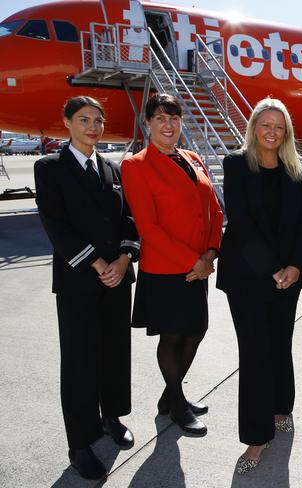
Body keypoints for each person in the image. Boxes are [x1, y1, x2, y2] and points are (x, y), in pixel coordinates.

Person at [34, 96, 140, 480]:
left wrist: (124, 261)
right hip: (79, 279)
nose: (93, 127)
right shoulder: (50, 168)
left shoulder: (112, 167)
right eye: (84, 120)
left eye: (98, 120)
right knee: (79, 361)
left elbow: (129, 219)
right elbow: (56, 225)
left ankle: (110, 417)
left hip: (116, 277)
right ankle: (79, 442)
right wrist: (98, 263)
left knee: (114, 351)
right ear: (67, 122)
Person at [216, 98, 302, 474]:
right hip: (247, 277)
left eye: (279, 126)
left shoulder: (296, 167)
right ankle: (257, 438)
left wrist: (292, 266)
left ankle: (281, 408)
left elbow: (301, 224)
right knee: (255, 354)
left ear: (286, 131)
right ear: (254, 127)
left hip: (287, 276)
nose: (272, 132)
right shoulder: (237, 164)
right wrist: (273, 268)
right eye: (265, 125)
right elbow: (240, 222)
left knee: (279, 345)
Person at [121, 94, 223, 435]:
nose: (169, 125)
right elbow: (148, 227)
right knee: (174, 334)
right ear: (147, 123)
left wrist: (210, 252)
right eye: (161, 118)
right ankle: (177, 405)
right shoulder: (136, 165)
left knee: (196, 330)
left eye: (174, 118)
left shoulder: (192, 158)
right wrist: (192, 260)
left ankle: (170, 396)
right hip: (166, 268)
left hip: (200, 266)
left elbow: (213, 208)